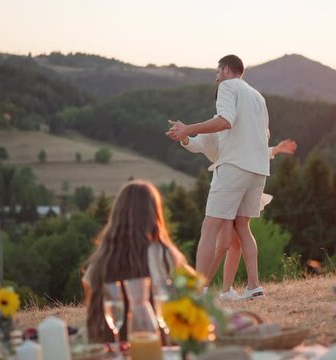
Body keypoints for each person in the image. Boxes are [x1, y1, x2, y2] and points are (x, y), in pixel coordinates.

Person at [167, 54, 270, 300]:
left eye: (217, 72)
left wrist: (189, 128)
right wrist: (185, 135)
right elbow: (265, 133)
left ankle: (198, 290)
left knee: (209, 226)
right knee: (243, 226)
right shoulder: (258, 96)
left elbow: (225, 121)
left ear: (225, 69)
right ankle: (254, 286)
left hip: (234, 167)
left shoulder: (227, 86)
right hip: (259, 168)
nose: (215, 78)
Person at [180, 132, 297, 300]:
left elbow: (251, 151)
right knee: (225, 243)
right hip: (228, 184)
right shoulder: (217, 126)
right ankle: (203, 286)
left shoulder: (240, 124)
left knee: (234, 242)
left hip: (240, 183)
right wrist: (184, 136)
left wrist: (274, 150)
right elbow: (196, 143)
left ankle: (225, 290)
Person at [81, 180, 191, 343]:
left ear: (117, 215)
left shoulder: (101, 261)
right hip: (160, 347)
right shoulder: (166, 256)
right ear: (154, 215)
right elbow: (191, 298)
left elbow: (93, 316)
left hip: (112, 348)